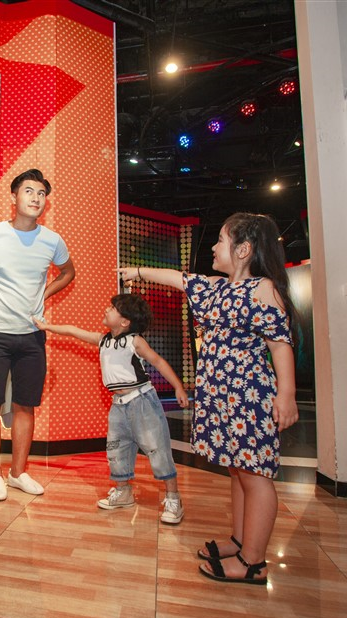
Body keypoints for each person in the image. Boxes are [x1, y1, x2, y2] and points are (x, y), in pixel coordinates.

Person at [118, 212, 298, 585]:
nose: (214, 247)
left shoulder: (264, 289)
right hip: (221, 398)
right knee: (237, 470)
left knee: (255, 475)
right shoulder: (214, 288)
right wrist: (134, 272)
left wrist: (287, 394)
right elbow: (176, 278)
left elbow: (280, 345)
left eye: (220, 240)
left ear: (243, 250)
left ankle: (253, 562)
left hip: (249, 398)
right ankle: (241, 541)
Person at [0, 169, 76, 501]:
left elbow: (68, 272)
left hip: (31, 336)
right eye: (29, 191)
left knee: (25, 405)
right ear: (14, 197)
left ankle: (18, 472)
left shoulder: (52, 240)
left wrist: (44, 294)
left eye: (41, 193)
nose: (36, 198)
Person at [34, 294, 190, 523]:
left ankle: (173, 498)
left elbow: (157, 361)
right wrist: (46, 326)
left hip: (142, 401)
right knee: (117, 449)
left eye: (113, 308)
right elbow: (73, 331)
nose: (107, 309)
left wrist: (178, 387)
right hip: (118, 405)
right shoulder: (103, 340)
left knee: (157, 447)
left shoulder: (135, 341)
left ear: (125, 322)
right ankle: (123, 491)